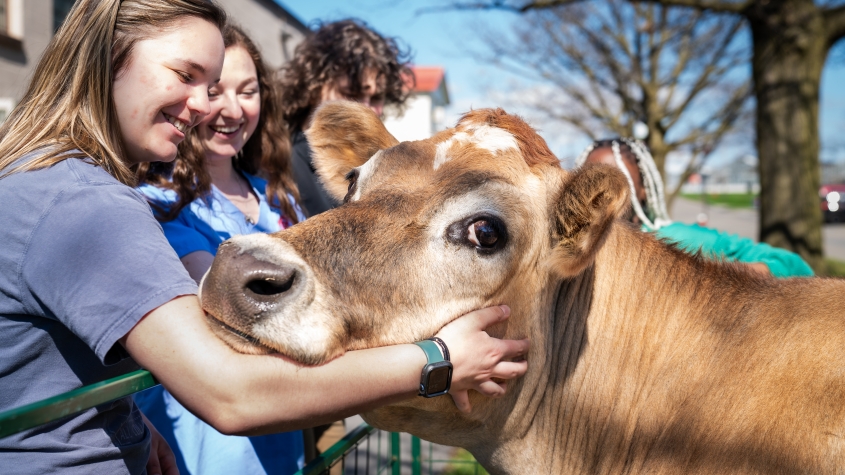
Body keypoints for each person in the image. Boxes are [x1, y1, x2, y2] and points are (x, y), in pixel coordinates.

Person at [0, 2, 529, 475]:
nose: (206, 106)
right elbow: (229, 394)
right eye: (185, 74)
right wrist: (439, 360)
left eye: (214, 85)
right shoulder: (85, 204)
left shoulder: (44, 181)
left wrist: (126, 422)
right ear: (108, 56)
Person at [134, 24, 307, 474]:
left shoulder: (277, 196)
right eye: (214, 91)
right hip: (208, 449)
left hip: (283, 439)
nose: (231, 109)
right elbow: (229, 304)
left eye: (247, 91)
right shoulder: (159, 202)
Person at [577, 138, 814, 278]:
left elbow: (792, 265)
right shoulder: (574, 252)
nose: (601, 192)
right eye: (589, 181)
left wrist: (709, 274)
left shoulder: (676, 238)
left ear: (644, 189)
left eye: (615, 180)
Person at [278, 19, 412, 216]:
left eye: (376, 97)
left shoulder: (379, 168)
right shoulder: (277, 164)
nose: (366, 109)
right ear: (314, 84)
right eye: (352, 93)